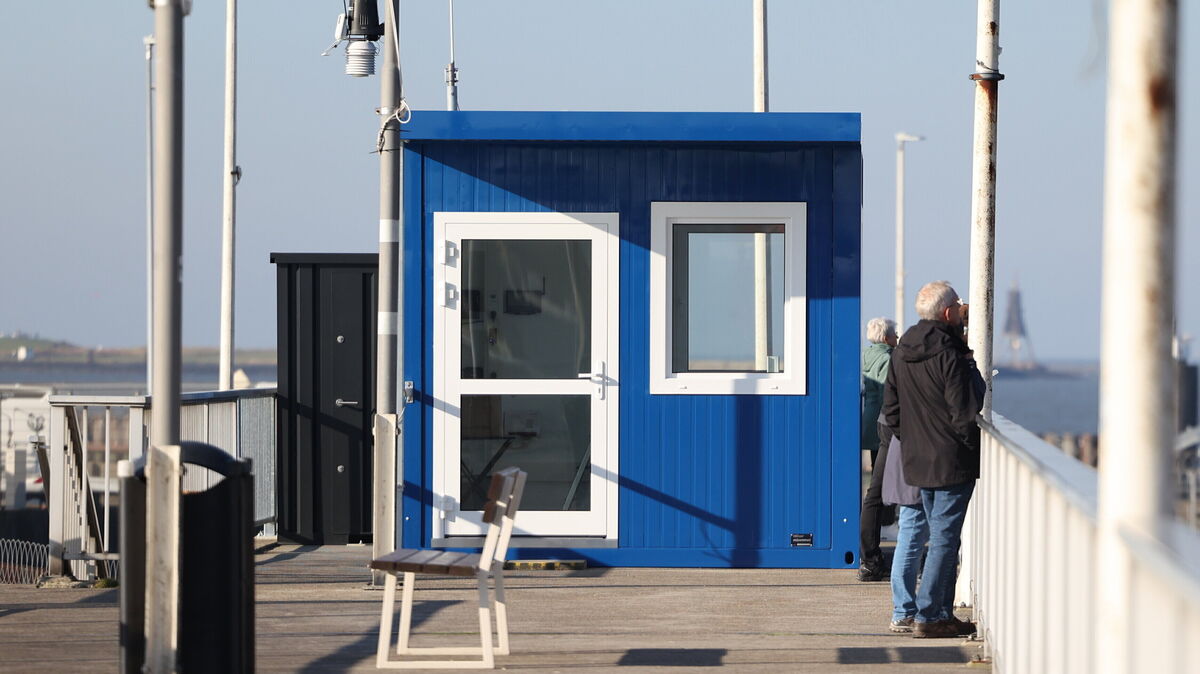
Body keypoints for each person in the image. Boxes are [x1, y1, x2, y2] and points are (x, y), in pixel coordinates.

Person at [883, 281, 984, 638]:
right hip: (951, 460)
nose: (961, 309)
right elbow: (968, 407)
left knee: (941, 536)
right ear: (947, 314)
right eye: (958, 305)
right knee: (943, 538)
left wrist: (912, 439)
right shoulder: (950, 353)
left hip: (917, 460)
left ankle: (940, 612)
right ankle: (929, 616)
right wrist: (970, 361)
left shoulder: (901, 350)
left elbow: (891, 411)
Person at [858, 318, 898, 581]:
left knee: (876, 476)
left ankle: (883, 524)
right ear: (885, 337)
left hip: (868, 419)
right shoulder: (889, 358)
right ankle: (882, 529)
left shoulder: (865, 356)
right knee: (880, 485)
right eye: (894, 334)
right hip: (887, 420)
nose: (896, 337)